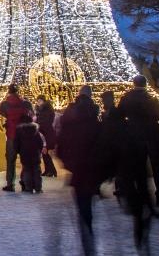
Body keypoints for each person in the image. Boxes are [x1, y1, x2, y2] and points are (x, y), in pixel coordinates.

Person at [57, 85, 102, 255]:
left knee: (82, 206)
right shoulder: (95, 119)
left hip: (78, 170)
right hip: (92, 169)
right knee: (89, 205)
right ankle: (89, 237)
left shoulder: (69, 120)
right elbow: (103, 145)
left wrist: (69, 163)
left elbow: (61, 145)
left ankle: (86, 237)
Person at [118, 74, 159, 207]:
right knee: (157, 167)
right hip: (152, 136)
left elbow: (119, 117)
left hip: (134, 137)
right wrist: (158, 129)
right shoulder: (151, 99)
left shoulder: (126, 98)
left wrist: (128, 130)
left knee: (139, 166)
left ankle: (141, 195)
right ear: (145, 84)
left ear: (134, 84)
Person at [0, 83, 32, 191]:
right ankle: (25, 183)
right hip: (23, 135)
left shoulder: (5, 104)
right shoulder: (25, 103)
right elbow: (30, 114)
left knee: (10, 161)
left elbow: (1, 112)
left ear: (9, 91)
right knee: (25, 160)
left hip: (11, 136)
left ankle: (10, 184)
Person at [14, 112, 45, 193]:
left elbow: (16, 142)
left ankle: (29, 188)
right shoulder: (35, 130)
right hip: (35, 153)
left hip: (24, 153)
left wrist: (17, 151)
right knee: (36, 170)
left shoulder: (19, 131)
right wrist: (40, 149)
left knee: (27, 170)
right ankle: (38, 188)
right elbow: (40, 142)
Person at [34, 96, 58, 177]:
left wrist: (39, 123)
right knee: (44, 152)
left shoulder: (46, 109)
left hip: (47, 133)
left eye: (40, 101)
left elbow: (46, 121)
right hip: (43, 132)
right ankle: (48, 170)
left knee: (46, 152)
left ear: (44, 101)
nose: (38, 102)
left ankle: (52, 171)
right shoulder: (40, 110)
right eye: (37, 101)